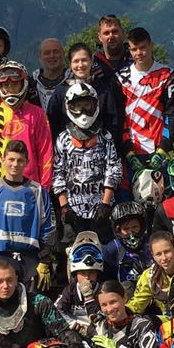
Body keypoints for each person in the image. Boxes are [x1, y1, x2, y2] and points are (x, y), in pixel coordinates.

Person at [0, 140, 57, 290]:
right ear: (3, 160)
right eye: (11, 159)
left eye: (20, 160)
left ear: (27, 162)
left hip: (30, 259)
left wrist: (45, 261)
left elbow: (49, 228)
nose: (15, 164)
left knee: (31, 303)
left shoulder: (38, 191)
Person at [51, 80, 122, 247]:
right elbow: (57, 171)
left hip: (100, 208)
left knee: (103, 250)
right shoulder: (63, 138)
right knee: (71, 251)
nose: (83, 111)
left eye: (86, 105)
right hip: (72, 209)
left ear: (95, 105)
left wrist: (105, 204)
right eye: (78, 106)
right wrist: (64, 207)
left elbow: (113, 168)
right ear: (69, 107)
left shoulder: (105, 137)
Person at [0, 60, 54, 187]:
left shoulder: (38, 114)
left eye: (15, 84)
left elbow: (46, 153)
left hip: (31, 187)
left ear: (23, 84)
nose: (10, 89)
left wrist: (44, 189)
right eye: (5, 85)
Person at [118, 26, 174, 170]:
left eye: (143, 48)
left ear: (151, 46)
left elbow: (173, 114)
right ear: (129, 50)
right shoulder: (121, 78)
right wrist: (128, 151)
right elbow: (119, 117)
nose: (139, 53)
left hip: (160, 152)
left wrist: (163, 148)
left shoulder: (168, 76)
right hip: (131, 153)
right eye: (134, 49)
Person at [48, 41, 127, 152]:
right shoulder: (61, 92)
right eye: (76, 61)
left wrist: (111, 148)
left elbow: (113, 121)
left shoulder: (103, 89)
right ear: (70, 64)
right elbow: (52, 124)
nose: (80, 65)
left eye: (84, 60)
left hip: (100, 151)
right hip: (69, 152)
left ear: (92, 61)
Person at [55, 233, 106, 329]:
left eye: (91, 272)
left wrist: (88, 297)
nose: (87, 277)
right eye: (82, 273)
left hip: (97, 330)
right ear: (75, 274)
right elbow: (57, 309)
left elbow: (102, 318)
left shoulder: (103, 290)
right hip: (75, 329)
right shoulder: (70, 290)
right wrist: (73, 324)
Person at [103, 200, 153, 287]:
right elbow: (107, 281)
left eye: (135, 227)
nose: (131, 232)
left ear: (141, 227)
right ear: (118, 230)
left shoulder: (152, 243)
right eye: (126, 229)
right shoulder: (112, 249)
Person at [31, 37, 68, 109]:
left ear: (63, 54)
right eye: (47, 53)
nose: (52, 56)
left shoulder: (74, 81)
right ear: (40, 57)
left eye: (56, 52)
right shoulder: (31, 84)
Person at [93, 14, 131, 83]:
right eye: (106, 33)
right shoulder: (93, 63)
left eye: (115, 31)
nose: (111, 36)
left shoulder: (136, 58)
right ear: (100, 37)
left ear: (123, 33)